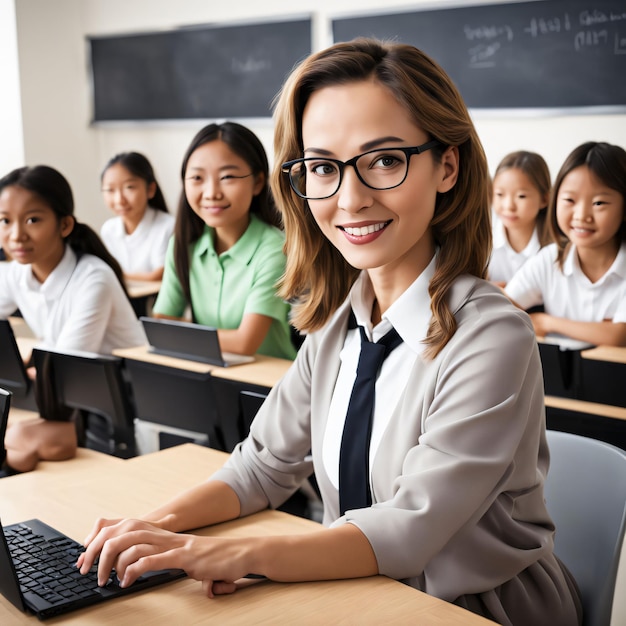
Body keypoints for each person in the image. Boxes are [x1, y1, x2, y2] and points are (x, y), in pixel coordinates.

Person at [77, 39, 581, 626]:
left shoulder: (492, 335)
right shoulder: (341, 320)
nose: (350, 198)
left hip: (470, 607)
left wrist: (227, 553)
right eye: (322, 167)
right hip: (359, 588)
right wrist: (154, 529)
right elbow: (261, 466)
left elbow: (409, 528)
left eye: (385, 160)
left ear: (448, 166)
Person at [0, 165, 146, 473]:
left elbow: (64, 367)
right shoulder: (16, 273)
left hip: (117, 406)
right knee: (16, 436)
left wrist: (28, 363)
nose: (16, 235)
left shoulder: (94, 277)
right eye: (4, 221)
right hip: (63, 400)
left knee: (19, 439)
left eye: (32, 220)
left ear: (65, 225)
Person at [150, 121, 296, 360]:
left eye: (227, 176)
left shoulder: (274, 248)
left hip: (268, 384)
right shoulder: (182, 244)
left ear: (258, 182)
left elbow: (244, 342)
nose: (211, 193)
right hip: (208, 373)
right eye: (197, 177)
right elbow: (162, 324)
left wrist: (180, 335)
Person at [505, 141, 626, 347]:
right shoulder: (550, 258)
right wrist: (599, 330)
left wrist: (547, 322)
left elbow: (619, 336)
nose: (581, 216)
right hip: (557, 377)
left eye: (599, 203)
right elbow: (504, 307)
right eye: (570, 200)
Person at [100, 151, 174, 282]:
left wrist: (116, 274)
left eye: (129, 187)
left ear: (150, 189)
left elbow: (159, 275)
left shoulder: (167, 226)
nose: (119, 200)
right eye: (110, 190)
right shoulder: (108, 229)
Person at [488, 150, 551, 287]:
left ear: (544, 199)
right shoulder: (483, 241)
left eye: (521, 196)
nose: (509, 206)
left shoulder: (555, 248)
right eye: (500, 194)